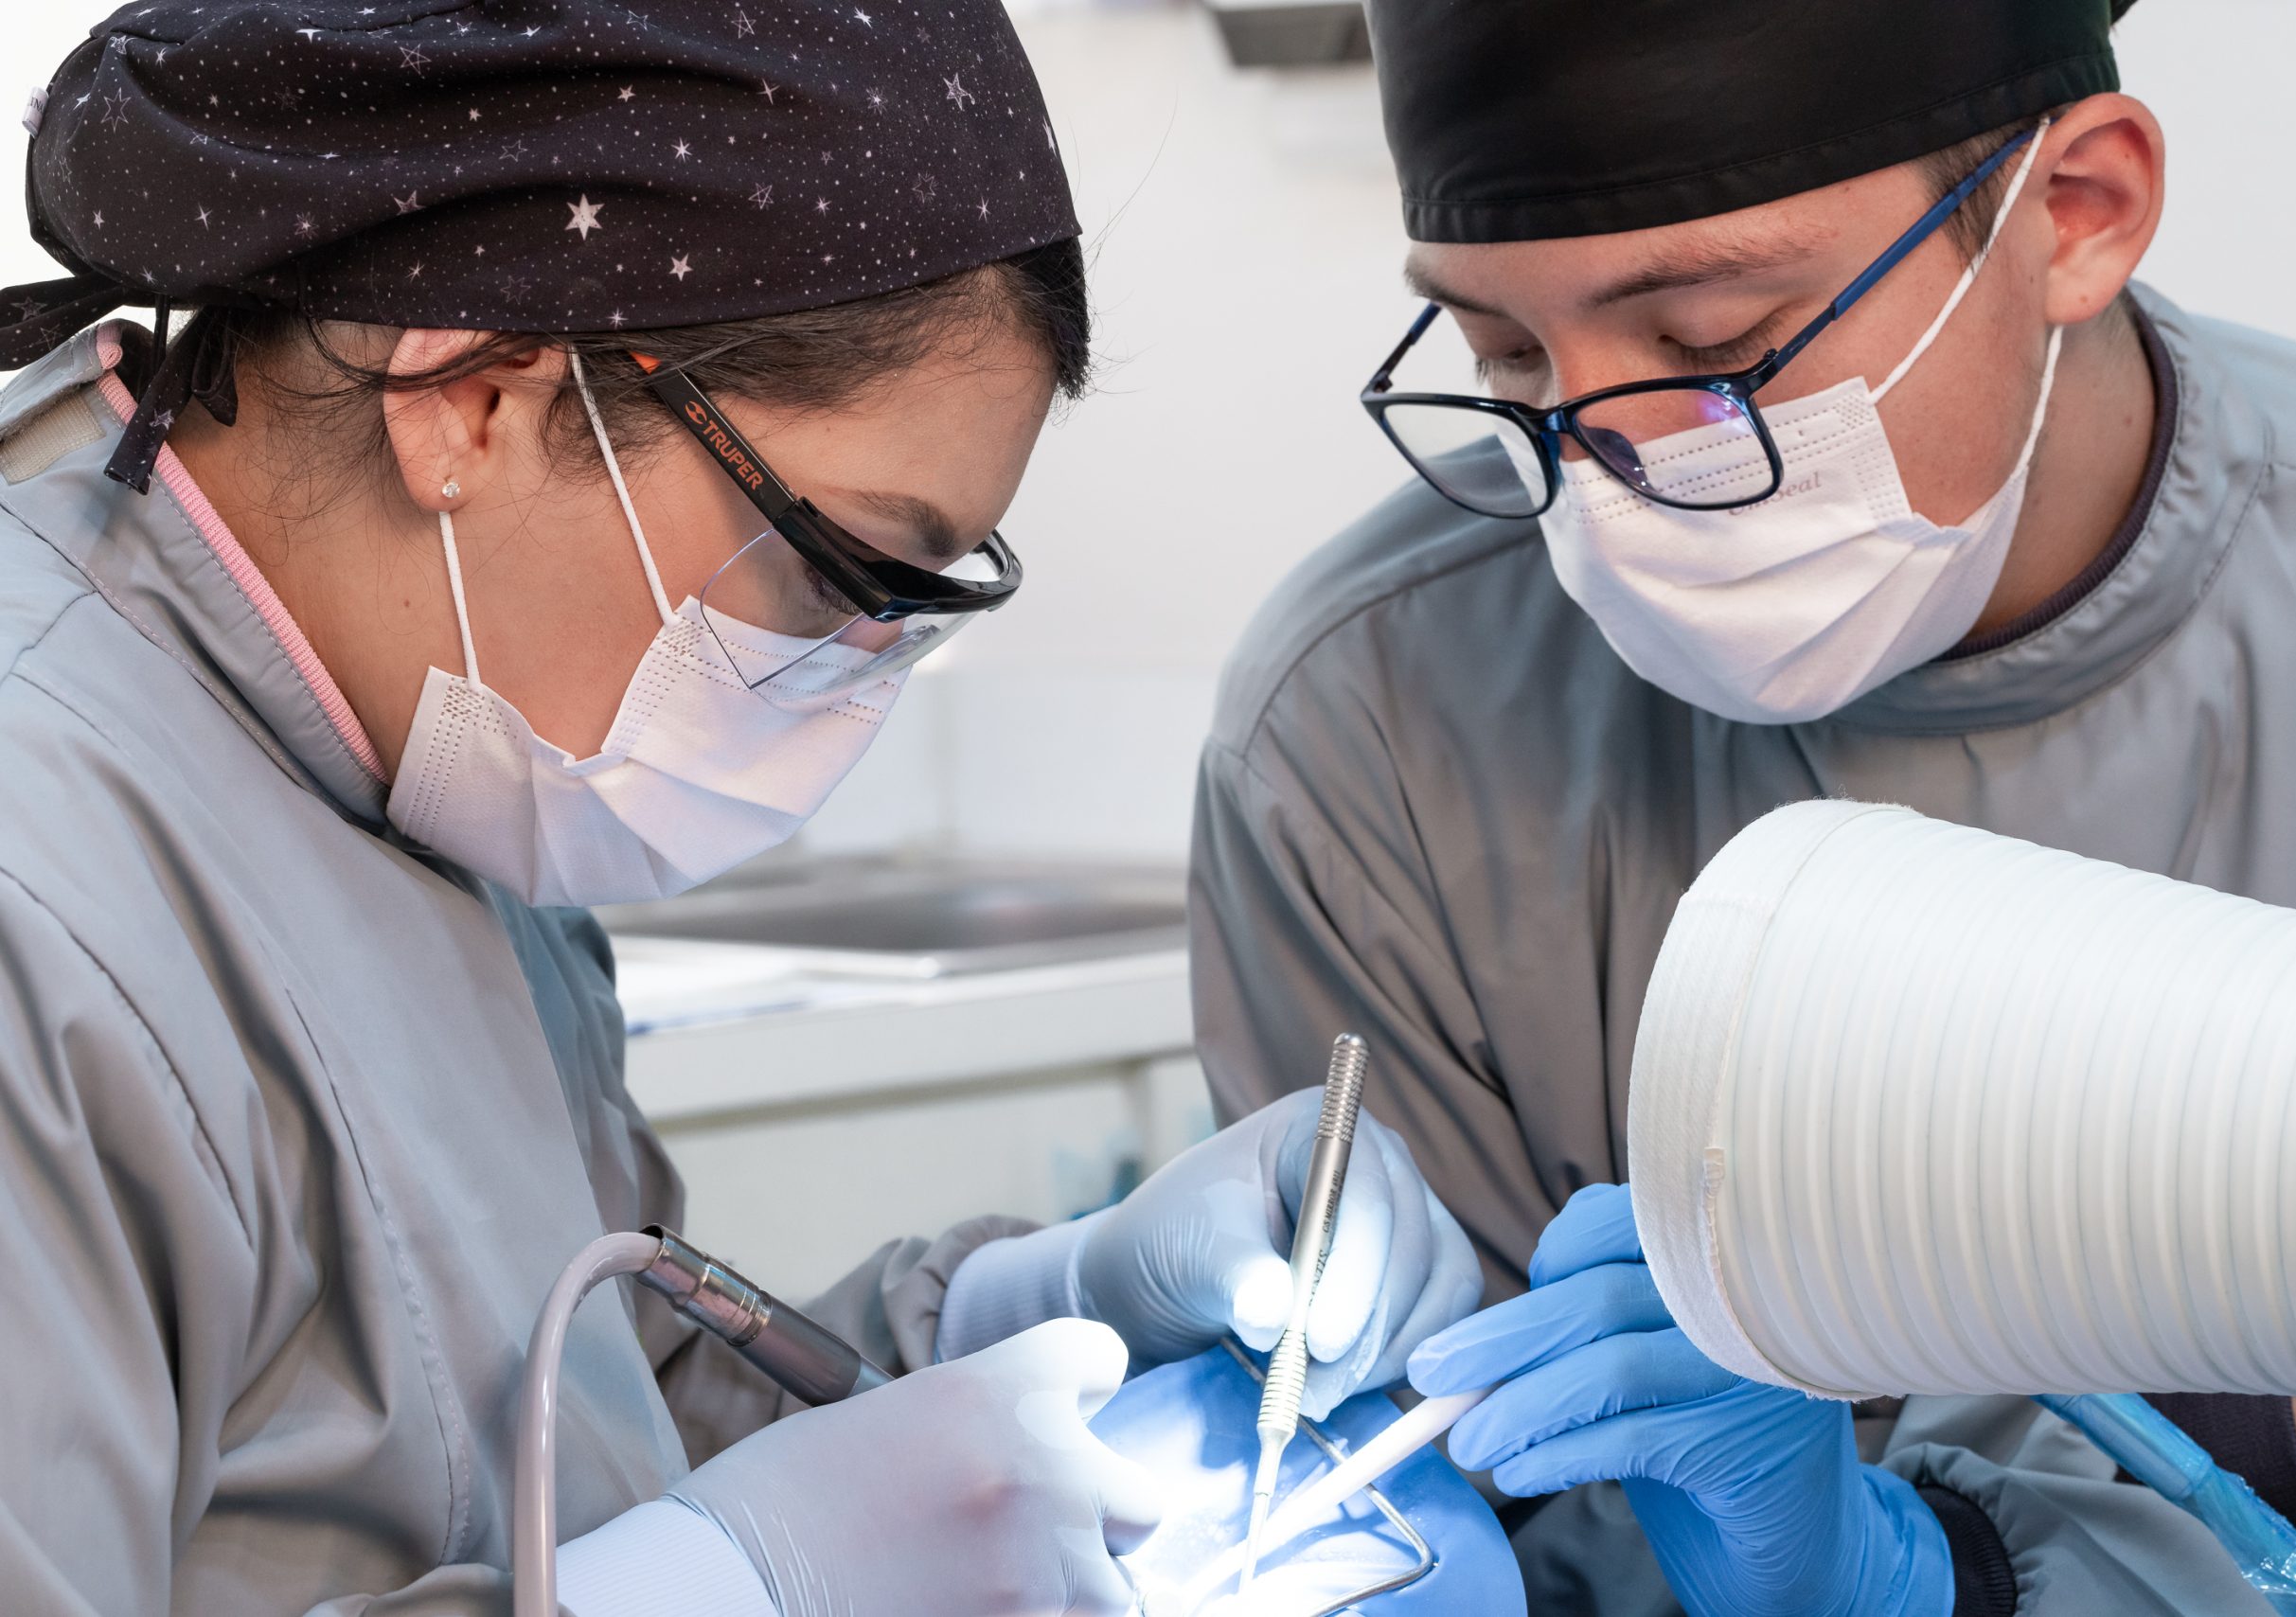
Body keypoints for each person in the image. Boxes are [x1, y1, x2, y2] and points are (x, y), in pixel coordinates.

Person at [0, 4, 1480, 1614]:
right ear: (470, 395)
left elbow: (571, 1399)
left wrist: (1016, 1317)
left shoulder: (430, 748)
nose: (850, 678)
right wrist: (728, 1587)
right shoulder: (46, 899)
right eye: (839, 571)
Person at [1187, 1, 2296, 1612]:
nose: (1602, 453)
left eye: (1710, 342)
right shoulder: (1369, 728)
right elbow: (1435, 1518)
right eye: (1507, 356)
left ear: (2076, 212)